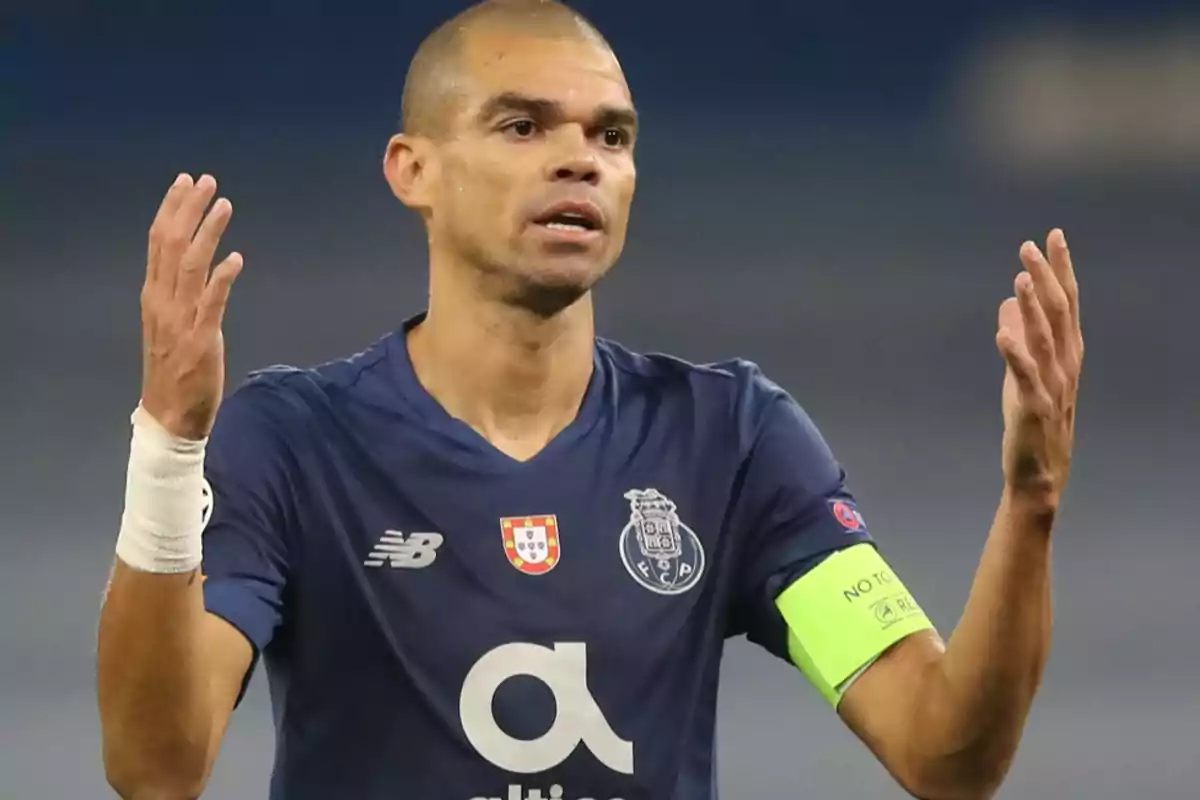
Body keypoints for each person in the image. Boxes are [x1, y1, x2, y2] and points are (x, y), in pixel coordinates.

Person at [95, 2, 1084, 799]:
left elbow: (945, 756)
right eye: (522, 124)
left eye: (611, 136)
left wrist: (1031, 503)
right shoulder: (295, 442)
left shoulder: (730, 440)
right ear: (413, 170)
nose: (580, 159)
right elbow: (157, 766)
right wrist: (170, 448)